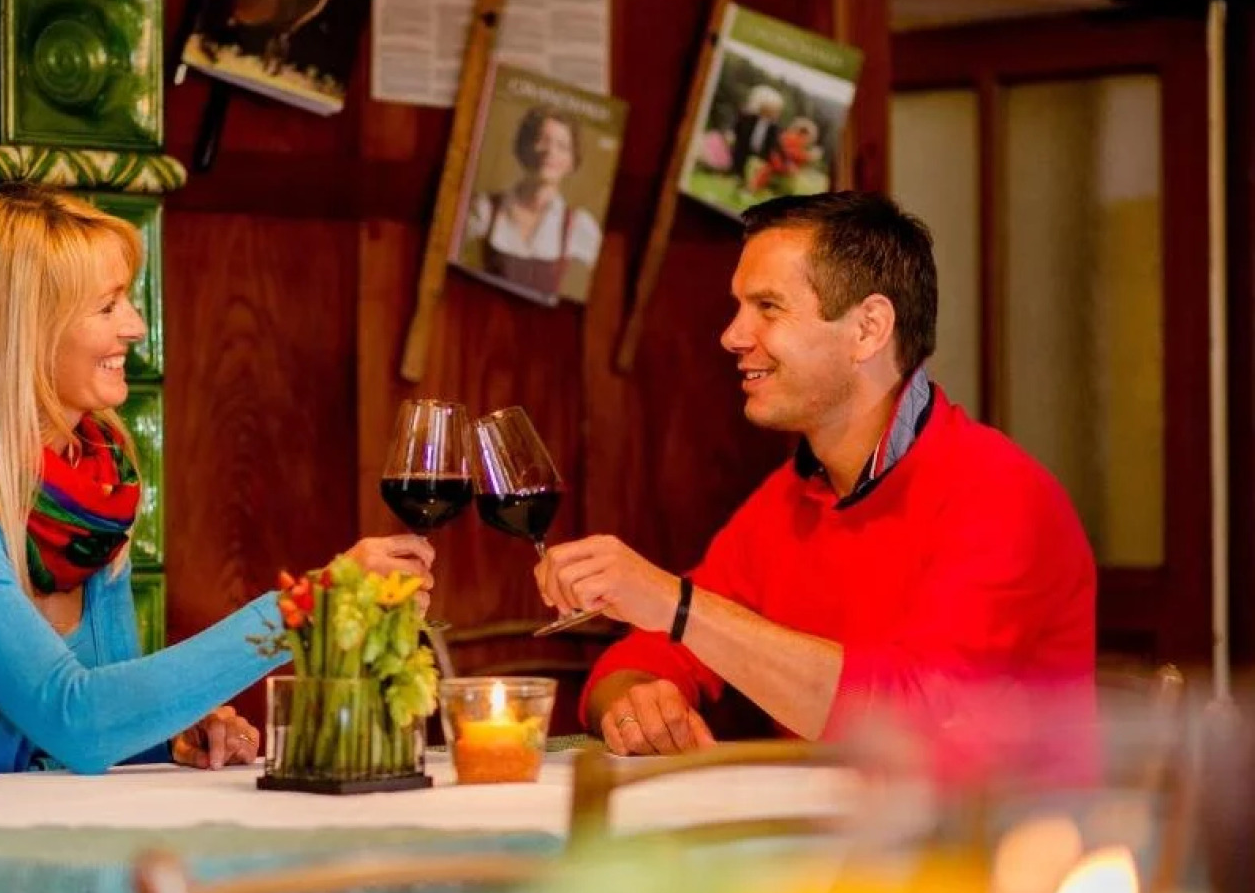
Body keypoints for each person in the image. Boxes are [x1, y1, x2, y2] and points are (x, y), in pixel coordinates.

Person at [0, 183, 433, 784]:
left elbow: (100, 711)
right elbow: (75, 720)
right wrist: (310, 608)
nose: (134, 326)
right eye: (108, 306)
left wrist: (176, 734)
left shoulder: (94, 494)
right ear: (21, 332)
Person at [535, 191, 1096, 781]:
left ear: (868, 329)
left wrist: (674, 605)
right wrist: (635, 699)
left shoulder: (1000, 495)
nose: (731, 335)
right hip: (840, 848)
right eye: (739, 307)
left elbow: (912, 721)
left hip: (994, 856)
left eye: (768, 307)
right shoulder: (792, 496)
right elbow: (648, 653)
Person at [463, 105, 603, 303]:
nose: (550, 152)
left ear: (571, 161)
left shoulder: (579, 226)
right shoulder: (484, 210)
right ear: (525, 147)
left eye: (562, 146)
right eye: (542, 140)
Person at [727, 84, 785, 185]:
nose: (774, 112)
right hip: (743, 150)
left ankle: (750, 182)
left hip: (760, 156)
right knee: (739, 159)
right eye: (770, 108)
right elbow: (736, 129)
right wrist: (731, 135)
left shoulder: (774, 127)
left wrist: (783, 157)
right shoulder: (748, 118)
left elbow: (776, 144)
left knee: (756, 168)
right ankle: (737, 175)